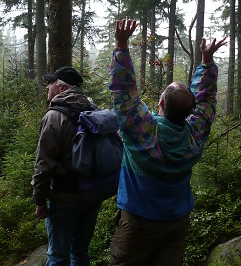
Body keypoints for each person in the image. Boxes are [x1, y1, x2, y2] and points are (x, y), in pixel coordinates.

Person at [109, 19, 227, 266]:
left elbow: (124, 95)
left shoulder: (143, 134)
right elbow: (205, 104)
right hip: (176, 222)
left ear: (160, 103)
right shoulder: (194, 138)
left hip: (138, 222)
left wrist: (121, 45)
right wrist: (206, 63)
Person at [32, 66, 102, 266]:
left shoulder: (54, 116)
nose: (47, 87)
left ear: (62, 88)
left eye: (51, 83)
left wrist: (40, 200)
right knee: (80, 254)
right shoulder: (94, 110)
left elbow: (43, 164)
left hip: (64, 197)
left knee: (57, 257)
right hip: (92, 195)